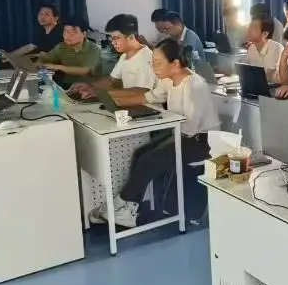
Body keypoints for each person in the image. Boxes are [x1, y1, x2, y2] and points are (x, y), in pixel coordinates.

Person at [93, 39, 221, 229]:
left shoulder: (195, 85)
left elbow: (190, 128)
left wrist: (163, 128)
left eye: (158, 63)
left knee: (150, 159)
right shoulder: (168, 79)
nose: (154, 68)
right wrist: (109, 98)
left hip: (201, 141)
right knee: (140, 153)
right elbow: (150, 97)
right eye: (152, 62)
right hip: (181, 133)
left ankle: (121, 202)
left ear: (175, 64)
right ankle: (129, 207)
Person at [70, 13, 156, 101]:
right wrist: (90, 86)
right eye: (112, 38)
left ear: (131, 37)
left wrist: (101, 93)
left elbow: (141, 91)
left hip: (147, 106)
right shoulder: (125, 55)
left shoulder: (146, 57)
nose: (113, 42)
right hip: (129, 103)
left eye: (116, 38)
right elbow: (111, 80)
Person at [37, 17, 103, 80]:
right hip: (64, 83)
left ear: (84, 34)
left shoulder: (94, 49)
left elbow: (85, 70)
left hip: (87, 84)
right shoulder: (61, 46)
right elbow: (43, 59)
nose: (67, 35)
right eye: (65, 31)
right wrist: (41, 65)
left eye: (73, 31)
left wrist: (59, 67)